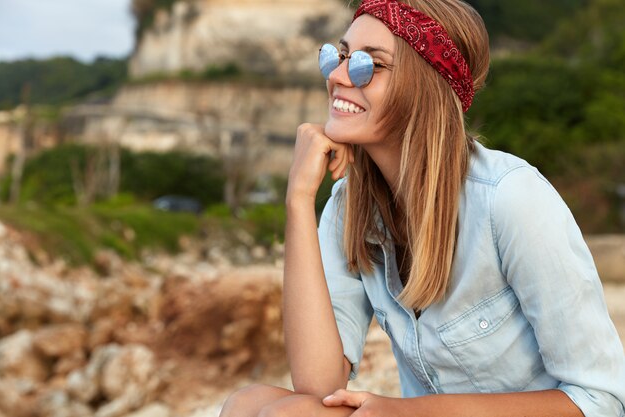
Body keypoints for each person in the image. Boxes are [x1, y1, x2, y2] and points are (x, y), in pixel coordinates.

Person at [219, 0, 625, 415]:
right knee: (247, 402)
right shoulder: (349, 207)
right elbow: (319, 383)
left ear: (422, 86)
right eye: (337, 56)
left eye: (367, 65)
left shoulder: (511, 198)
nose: (338, 76)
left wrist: (409, 412)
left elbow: (601, 399)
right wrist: (299, 200)